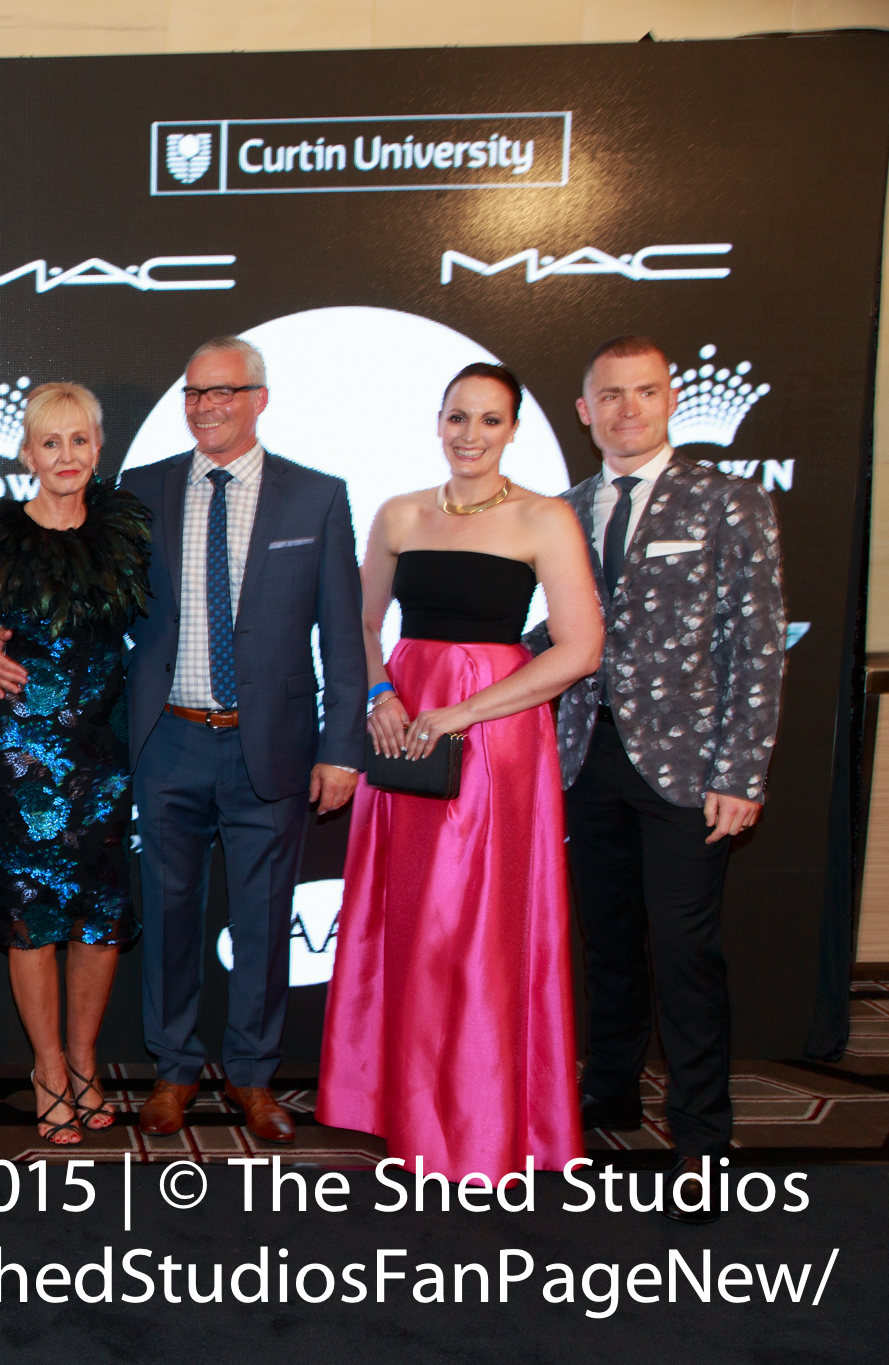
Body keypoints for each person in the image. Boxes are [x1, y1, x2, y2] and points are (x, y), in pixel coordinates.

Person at [317, 362, 601, 1179]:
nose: (470, 434)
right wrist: (380, 693)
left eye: (489, 419)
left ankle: (477, 1115)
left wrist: (465, 712)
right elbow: (360, 623)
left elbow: (581, 647)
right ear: (438, 422)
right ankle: (399, 1103)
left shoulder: (544, 518)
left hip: (495, 736)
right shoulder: (399, 512)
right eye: (457, 417)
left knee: (475, 923)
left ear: (513, 429)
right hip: (404, 729)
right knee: (407, 913)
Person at [536, 335, 785, 1222]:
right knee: (606, 941)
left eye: (643, 392)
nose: (627, 409)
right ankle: (608, 1090)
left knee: (684, 949)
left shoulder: (728, 500)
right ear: (584, 410)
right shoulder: (563, 510)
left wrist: (742, 769)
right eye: (610, 395)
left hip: (689, 768)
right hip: (583, 758)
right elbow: (548, 637)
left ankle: (703, 1135)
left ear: (670, 399)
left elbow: (759, 643)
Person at [101, 337, 364, 1144]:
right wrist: (5, 633)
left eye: (224, 390)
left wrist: (342, 746)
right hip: (168, 742)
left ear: (260, 398)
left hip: (271, 746)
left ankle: (253, 1075)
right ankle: (174, 1069)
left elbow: (343, 636)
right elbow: (100, 604)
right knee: (169, 918)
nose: (206, 405)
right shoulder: (140, 490)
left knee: (263, 920)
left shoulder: (317, 497)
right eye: (194, 392)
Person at [0, 382, 151, 1145]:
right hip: (24, 760)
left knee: (98, 916)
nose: (67, 455)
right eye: (51, 442)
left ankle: (86, 1059)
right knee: (32, 916)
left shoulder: (125, 537)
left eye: (80, 440)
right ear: (27, 453)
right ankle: (48, 1067)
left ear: (99, 447)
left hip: (105, 761)